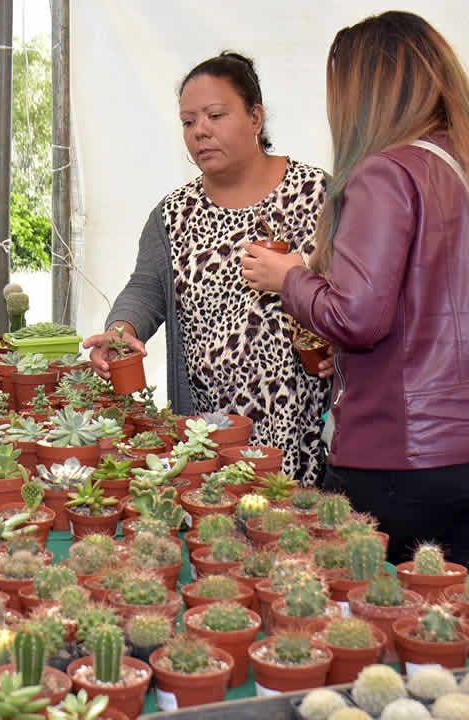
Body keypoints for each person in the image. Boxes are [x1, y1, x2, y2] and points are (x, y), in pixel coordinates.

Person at [242, 11, 469, 577]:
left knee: (362, 608)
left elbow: (358, 316)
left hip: (411, 451)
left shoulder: (384, 174)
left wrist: (288, 276)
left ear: (365, 92)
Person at [83, 51, 329, 485]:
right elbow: (145, 288)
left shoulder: (317, 194)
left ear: (256, 118)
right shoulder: (174, 214)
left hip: (302, 437)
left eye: (215, 115)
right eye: (188, 121)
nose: (200, 131)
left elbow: (359, 294)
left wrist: (334, 345)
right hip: (205, 438)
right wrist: (122, 330)